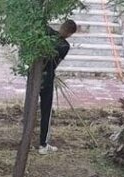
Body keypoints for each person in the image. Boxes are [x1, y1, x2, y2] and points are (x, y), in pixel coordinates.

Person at [38, 19, 77, 155]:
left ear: (61, 26)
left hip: (35, 76)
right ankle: (43, 144)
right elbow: (55, 63)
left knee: (32, 106)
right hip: (47, 79)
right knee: (46, 110)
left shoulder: (48, 32)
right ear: (70, 34)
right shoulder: (64, 46)